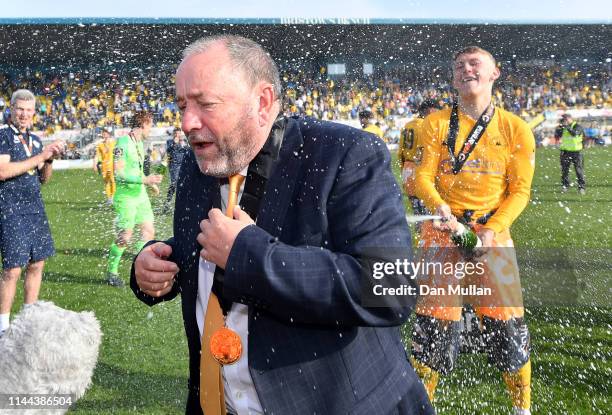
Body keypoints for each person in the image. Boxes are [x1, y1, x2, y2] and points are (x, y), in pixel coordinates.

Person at [131, 35, 432, 415]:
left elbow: (390, 287)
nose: (187, 122)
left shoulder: (346, 154)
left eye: (205, 104)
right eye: (181, 105)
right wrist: (159, 263)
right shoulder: (200, 162)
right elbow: (208, 243)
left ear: (262, 102)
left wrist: (247, 256)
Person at [410, 46, 535, 415]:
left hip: (492, 238)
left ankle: (522, 409)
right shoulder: (433, 124)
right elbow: (420, 177)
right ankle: (422, 408)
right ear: (453, 78)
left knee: (509, 332)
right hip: (441, 235)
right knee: (432, 335)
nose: (466, 68)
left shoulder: (516, 129)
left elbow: (520, 191)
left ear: (495, 73)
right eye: (459, 65)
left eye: (474, 63)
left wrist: (493, 229)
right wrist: (441, 210)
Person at [0, 89, 64, 336]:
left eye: (28, 110)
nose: (24, 114)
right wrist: (40, 155)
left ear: (34, 113)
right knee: (13, 268)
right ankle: (4, 327)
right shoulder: (4, 135)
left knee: (37, 264)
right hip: (10, 209)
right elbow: (3, 171)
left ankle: (29, 319)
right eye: (20, 109)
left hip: (35, 209)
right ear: (12, 109)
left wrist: (48, 160)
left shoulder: (36, 140)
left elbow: (44, 179)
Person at [106, 111, 162, 287]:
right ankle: (111, 271)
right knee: (125, 236)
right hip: (125, 197)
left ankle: (138, 266)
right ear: (143, 124)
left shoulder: (139, 143)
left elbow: (135, 169)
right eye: (150, 125)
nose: (151, 129)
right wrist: (144, 180)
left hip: (140, 194)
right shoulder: (122, 142)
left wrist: (149, 183)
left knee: (148, 231)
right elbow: (119, 173)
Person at [398, 100, 442, 218]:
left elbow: (400, 152)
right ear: (430, 110)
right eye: (436, 113)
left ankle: (419, 233)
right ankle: (423, 234)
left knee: (417, 210)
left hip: (407, 169)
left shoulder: (408, 125)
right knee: (427, 212)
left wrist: (405, 170)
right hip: (419, 170)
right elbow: (424, 152)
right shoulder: (425, 126)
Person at [554, 113, 586, 194]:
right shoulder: (564, 127)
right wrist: (558, 129)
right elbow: (557, 136)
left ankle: (581, 187)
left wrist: (566, 127)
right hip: (565, 152)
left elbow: (574, 134)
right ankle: (565, 186)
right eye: (563, 119)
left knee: (579, 171)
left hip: (576, 152)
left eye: (565, 119)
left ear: (570, 118)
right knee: (565, 171)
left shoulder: (577, 126)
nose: (564, 121)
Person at [163, 127, 189, 213]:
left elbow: (188, 150)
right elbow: (168, 150)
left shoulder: (184, 141)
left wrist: (183, 144)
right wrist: (175, 143)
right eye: (176, 133)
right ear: (174, 134)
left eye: (179, 133)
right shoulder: (169, 142)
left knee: (182, 184)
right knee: (175, 183)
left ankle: (180, 204)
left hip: (183, 165)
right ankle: (168, 203)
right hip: (173, 165)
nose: (178, 135)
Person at [93, 126, 116, 205]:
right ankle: (109, 198)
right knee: (106, 182)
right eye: (103, 132)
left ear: (109, 134)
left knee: (112, 180)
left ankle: (113, 196)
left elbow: (118, 154)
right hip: (104, 166)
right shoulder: (100, 145)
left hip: (112, 165)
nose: (104, 134)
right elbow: (97, 155)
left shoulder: (114, 143)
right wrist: (94, 164)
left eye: (105, 132)